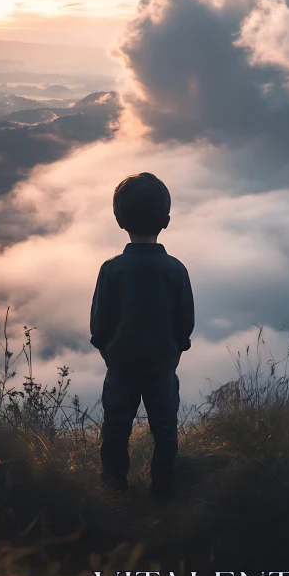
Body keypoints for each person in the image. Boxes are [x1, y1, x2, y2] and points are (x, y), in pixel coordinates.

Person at [90, 172, 195, 502]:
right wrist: (175, 351)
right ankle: (162, 493)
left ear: (118, 219)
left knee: (115, 430)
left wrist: (109, 353)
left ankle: (114, 489)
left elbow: (99, 324)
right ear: (166, 220)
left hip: (120, 367)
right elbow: (184, 322)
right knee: (165, 431)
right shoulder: (175, 270)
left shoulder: (112, 270)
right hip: (162, 367)